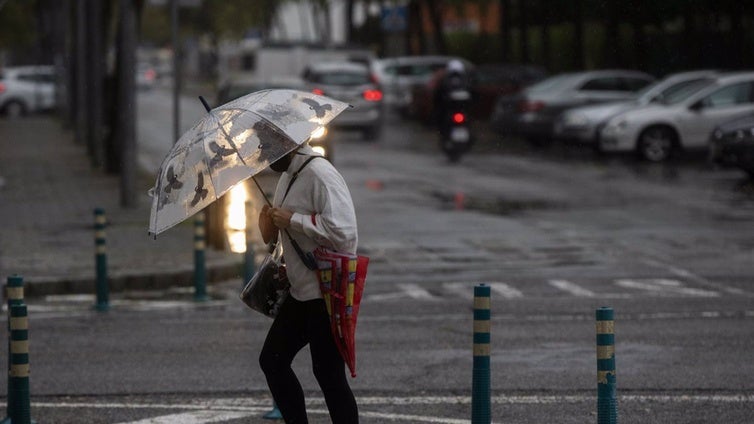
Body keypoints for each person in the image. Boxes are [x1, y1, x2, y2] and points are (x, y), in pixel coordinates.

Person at [257, 142, 359, 424]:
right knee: (273, 361)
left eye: (269, 149)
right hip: (300, 291)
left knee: (329, 375)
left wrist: (294, 220)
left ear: (289, 144)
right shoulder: (288, 175)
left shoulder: (320, 174)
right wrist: (268, 225)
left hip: (325, 292)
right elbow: (279, 234)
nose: (265, 157)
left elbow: (346, 234)